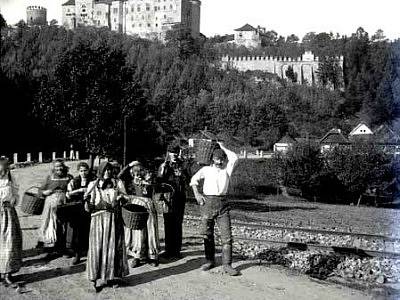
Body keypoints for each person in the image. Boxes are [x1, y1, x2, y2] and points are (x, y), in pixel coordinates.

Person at [190, 142, 240, 276]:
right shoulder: (206, 170)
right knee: (207, 235)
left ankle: (227, 265)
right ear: (212, 159)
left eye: (222, 159)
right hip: (207, 204)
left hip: (223, 205)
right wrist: (197, 195)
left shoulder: (227, 169)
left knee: (227, 237)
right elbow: (193, 180)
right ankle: (209, 260)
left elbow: (234, 157)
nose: (220, 161)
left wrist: (222, 146)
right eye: (218, 159)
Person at [85, 162, 129, 292]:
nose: (108, 172)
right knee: (96, 248)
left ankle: (111, 277)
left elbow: (126, 197)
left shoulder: (117, 183)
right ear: (100, 171)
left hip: (114, 219)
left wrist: (122, 197)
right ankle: (94, 279)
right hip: (98, 220)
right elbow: (88, 207)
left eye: (110, 170)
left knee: (113, 247)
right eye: (105, 170)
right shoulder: (93, 184)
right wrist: (87, 201)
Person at [118, 161, 160, 268]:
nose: (138, 173)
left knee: (150, 229)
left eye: (140, 171)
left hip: (148, 205)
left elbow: (156, 185)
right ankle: (137, 256)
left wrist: (148, 183)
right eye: (135, 171)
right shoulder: (130, 181)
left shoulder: (150, 179)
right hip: (136, 204)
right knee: (137, 231)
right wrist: (129, 165)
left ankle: (152, 256)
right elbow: (119, 176)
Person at [158, 145, 190, 258]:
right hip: (167, 198)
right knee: (168, 223)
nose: (175, 155)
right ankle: (168, 250)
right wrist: (163, 169)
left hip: (180, 197)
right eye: (172, 152)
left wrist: (183, 175)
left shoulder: (183, 165)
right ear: (168, 153)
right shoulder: (164, 165)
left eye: (176, 152)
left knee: (177, 223)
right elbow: (159, 180)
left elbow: (189, 180)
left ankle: (177, 251)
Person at [37, 159, 73, 256]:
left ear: (64, 167)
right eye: (56, 166)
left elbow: (73, 189)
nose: (59, 168)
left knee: (63, 225)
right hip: (51, 205)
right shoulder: (49, 178)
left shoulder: (69, 177)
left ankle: (63, 248)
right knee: (51, 224)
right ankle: (50, 249)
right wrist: (45, 192)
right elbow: (40, 191)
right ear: (53, 168)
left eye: (60, 166)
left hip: (64, 203)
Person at [65, 162, 94, 265]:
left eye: (85, 170)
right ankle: (77, 254)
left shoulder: (93, 180)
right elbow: (68, 195)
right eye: (81, 171)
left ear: (88, 170)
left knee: (89, 230)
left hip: (90, 208)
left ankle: (90, 253)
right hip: (77, 209)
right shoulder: (74, 181)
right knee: (77, 232)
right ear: (78, 171)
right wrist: (80, 190)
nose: (83, 173)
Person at [0, 157, 22, 285]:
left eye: (5, 168)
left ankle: (7, 273)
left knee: (10, 243)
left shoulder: (10, 177)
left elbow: (15, 191)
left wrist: (13, 200)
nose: (3, 171)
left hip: (8, 213)